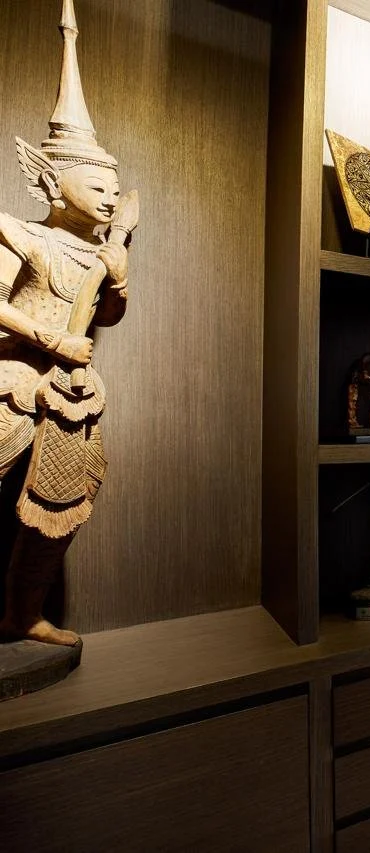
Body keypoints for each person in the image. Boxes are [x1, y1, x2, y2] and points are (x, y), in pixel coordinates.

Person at [0, 1, 132, 646]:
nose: (110, 191)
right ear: (52, 182)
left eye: (114, 181)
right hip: (12, 382)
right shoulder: (20, 235)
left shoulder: (102, 249)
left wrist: (119, 276)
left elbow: (106, 314)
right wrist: (50, 337)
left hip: (70, 392)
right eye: (95, 179)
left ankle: (21, 613)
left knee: (57, 509)